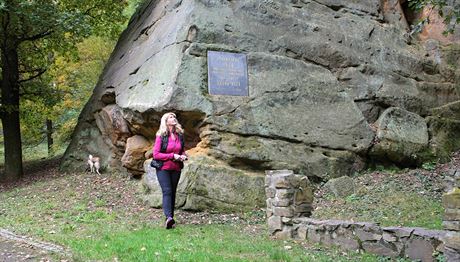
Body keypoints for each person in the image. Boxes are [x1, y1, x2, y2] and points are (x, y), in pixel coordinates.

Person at [153, 112, 187, 229]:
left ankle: (170, 219)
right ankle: (168, 217)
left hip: (176, 168)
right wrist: (173, 156)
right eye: (171, 117)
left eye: (174, 117)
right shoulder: (161, 136)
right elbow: (156, 154)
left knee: (172, 192)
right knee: (167, 191)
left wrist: (183, 155)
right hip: (163, 168)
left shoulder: (179, 135)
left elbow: (182, 150)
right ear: (166, 121)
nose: (174, 119)